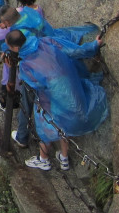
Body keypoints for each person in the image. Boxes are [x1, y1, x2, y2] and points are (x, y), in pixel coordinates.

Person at [6, 29, 108, 172]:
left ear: (16, 48)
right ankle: (64, 159)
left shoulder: (26, 64)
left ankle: (43, 159)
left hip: (53, 95)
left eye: (9, 47)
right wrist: (93, 46)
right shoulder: (46, 41)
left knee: (46, 125)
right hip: (71, 86)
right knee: (64, 123)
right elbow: (73, 51)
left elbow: (35, 84)